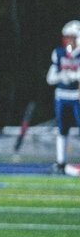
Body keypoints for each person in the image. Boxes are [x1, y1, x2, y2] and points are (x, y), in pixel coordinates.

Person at [46, 21, 79, 173]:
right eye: (66, 38)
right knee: (62, 130)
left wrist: (72, 75)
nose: (67, 41)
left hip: (77, 96)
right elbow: (50, 78)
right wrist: (62, 75)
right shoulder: (59, 53)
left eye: (71, 37)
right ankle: (60, 162)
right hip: (61, 96)